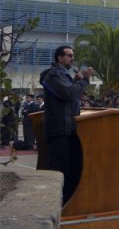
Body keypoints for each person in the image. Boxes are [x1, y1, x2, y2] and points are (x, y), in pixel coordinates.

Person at [39, 45, 93, 205]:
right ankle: (57, 206)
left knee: (72, 171)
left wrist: (75, 81)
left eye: (73, 55)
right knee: (60, 172)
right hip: (60, 131)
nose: (72, 58)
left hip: (69, 130)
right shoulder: (54, 75)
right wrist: (84, 80)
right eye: (69, 55)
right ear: (59, 58)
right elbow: (70, 95)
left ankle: (69, 205)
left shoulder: (63, 75)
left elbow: (69, 91)